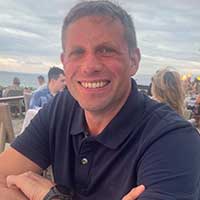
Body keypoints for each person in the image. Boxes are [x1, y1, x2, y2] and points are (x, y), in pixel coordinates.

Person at [0, 1, 200, 200]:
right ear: (64, 62)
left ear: (134, 61)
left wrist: (51, 197)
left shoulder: (174, 139)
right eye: (77, 52)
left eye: (106, 50)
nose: (89, 66)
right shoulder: (61, 108)